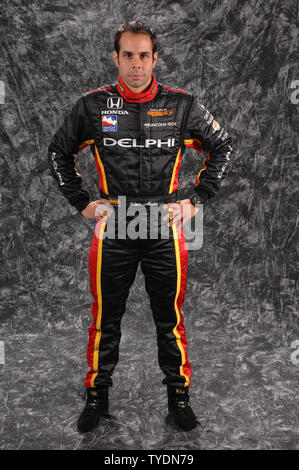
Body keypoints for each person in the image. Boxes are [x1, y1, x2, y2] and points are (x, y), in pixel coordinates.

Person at [47, 19, 234, 433]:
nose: (136, 64)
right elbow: (58, 152)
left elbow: (223, 145)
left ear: (154, 58)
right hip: (113, 226)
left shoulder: (182, 104)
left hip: (163, 226)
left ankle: (179, 399)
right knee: (105, 317)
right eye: (127, 55)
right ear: (116, 58)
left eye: (143, 55)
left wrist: (195, 201)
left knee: (169, 317)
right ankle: (97, 397)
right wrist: (82, 204)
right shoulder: (92, 106)